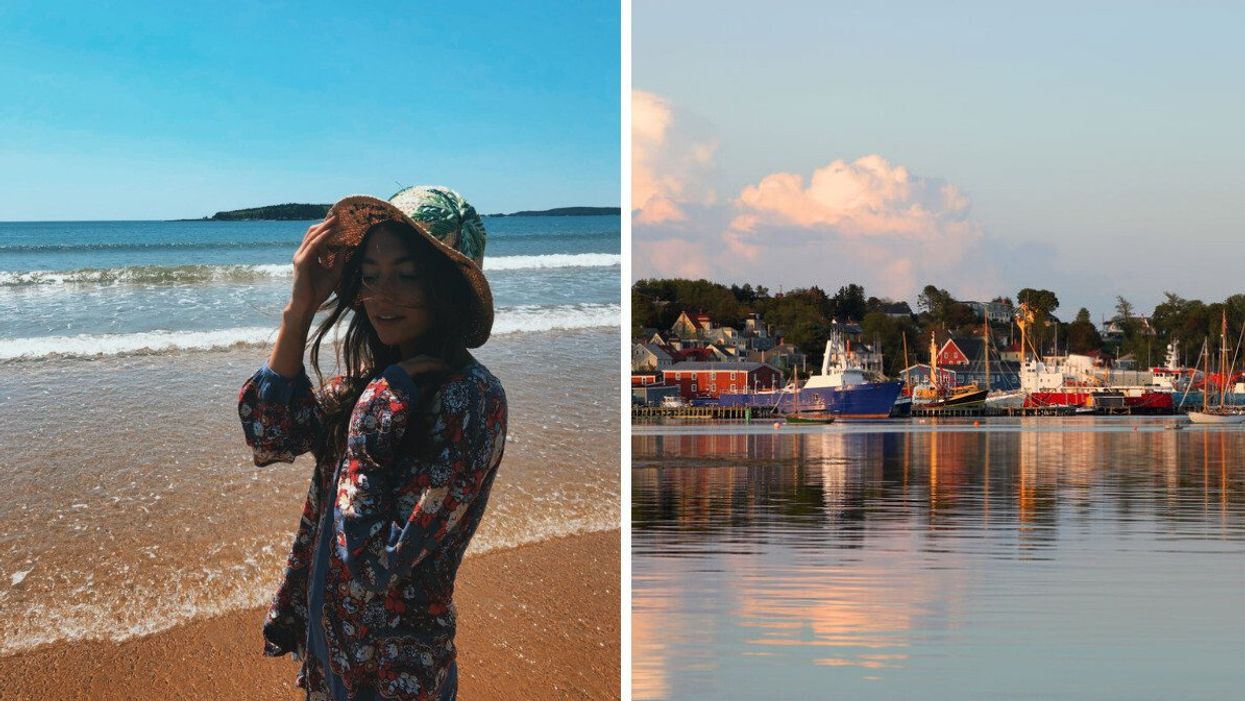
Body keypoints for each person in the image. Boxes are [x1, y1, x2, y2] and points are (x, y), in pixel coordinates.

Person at [237, 186, 507, 701]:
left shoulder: (470, 401)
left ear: (446, 286)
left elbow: (374, 564)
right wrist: (299, 308)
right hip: (330, 652)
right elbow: (272, 436)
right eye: (370, 276)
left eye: (407, 275)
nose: (383, 294)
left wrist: (372, 422)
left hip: (395, 674)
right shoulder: (375, 379)